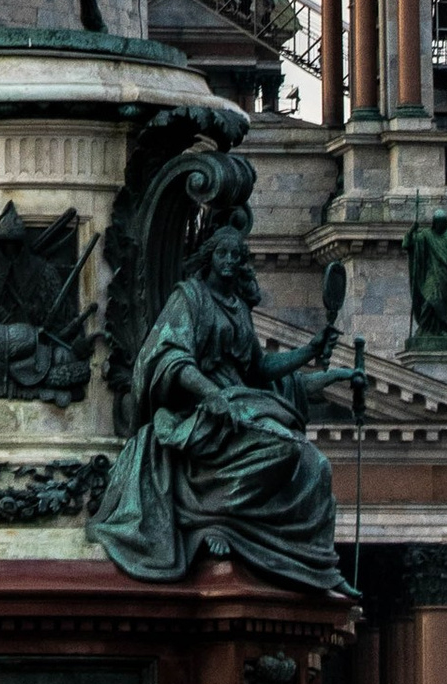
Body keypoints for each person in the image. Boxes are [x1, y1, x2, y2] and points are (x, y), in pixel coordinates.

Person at [91, 222, 347, 596]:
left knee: (316, 466)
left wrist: (311, 353)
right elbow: (170, 356)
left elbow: (259, 369)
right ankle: (214, 521)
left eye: (235, 255)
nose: (228, 261)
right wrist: (211, 395)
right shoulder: (189, 297)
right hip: (200, 410)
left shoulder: (239, 308)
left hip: (241, 404)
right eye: (222, 254)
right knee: (285, 448)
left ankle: (316, 563)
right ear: (209, 258)